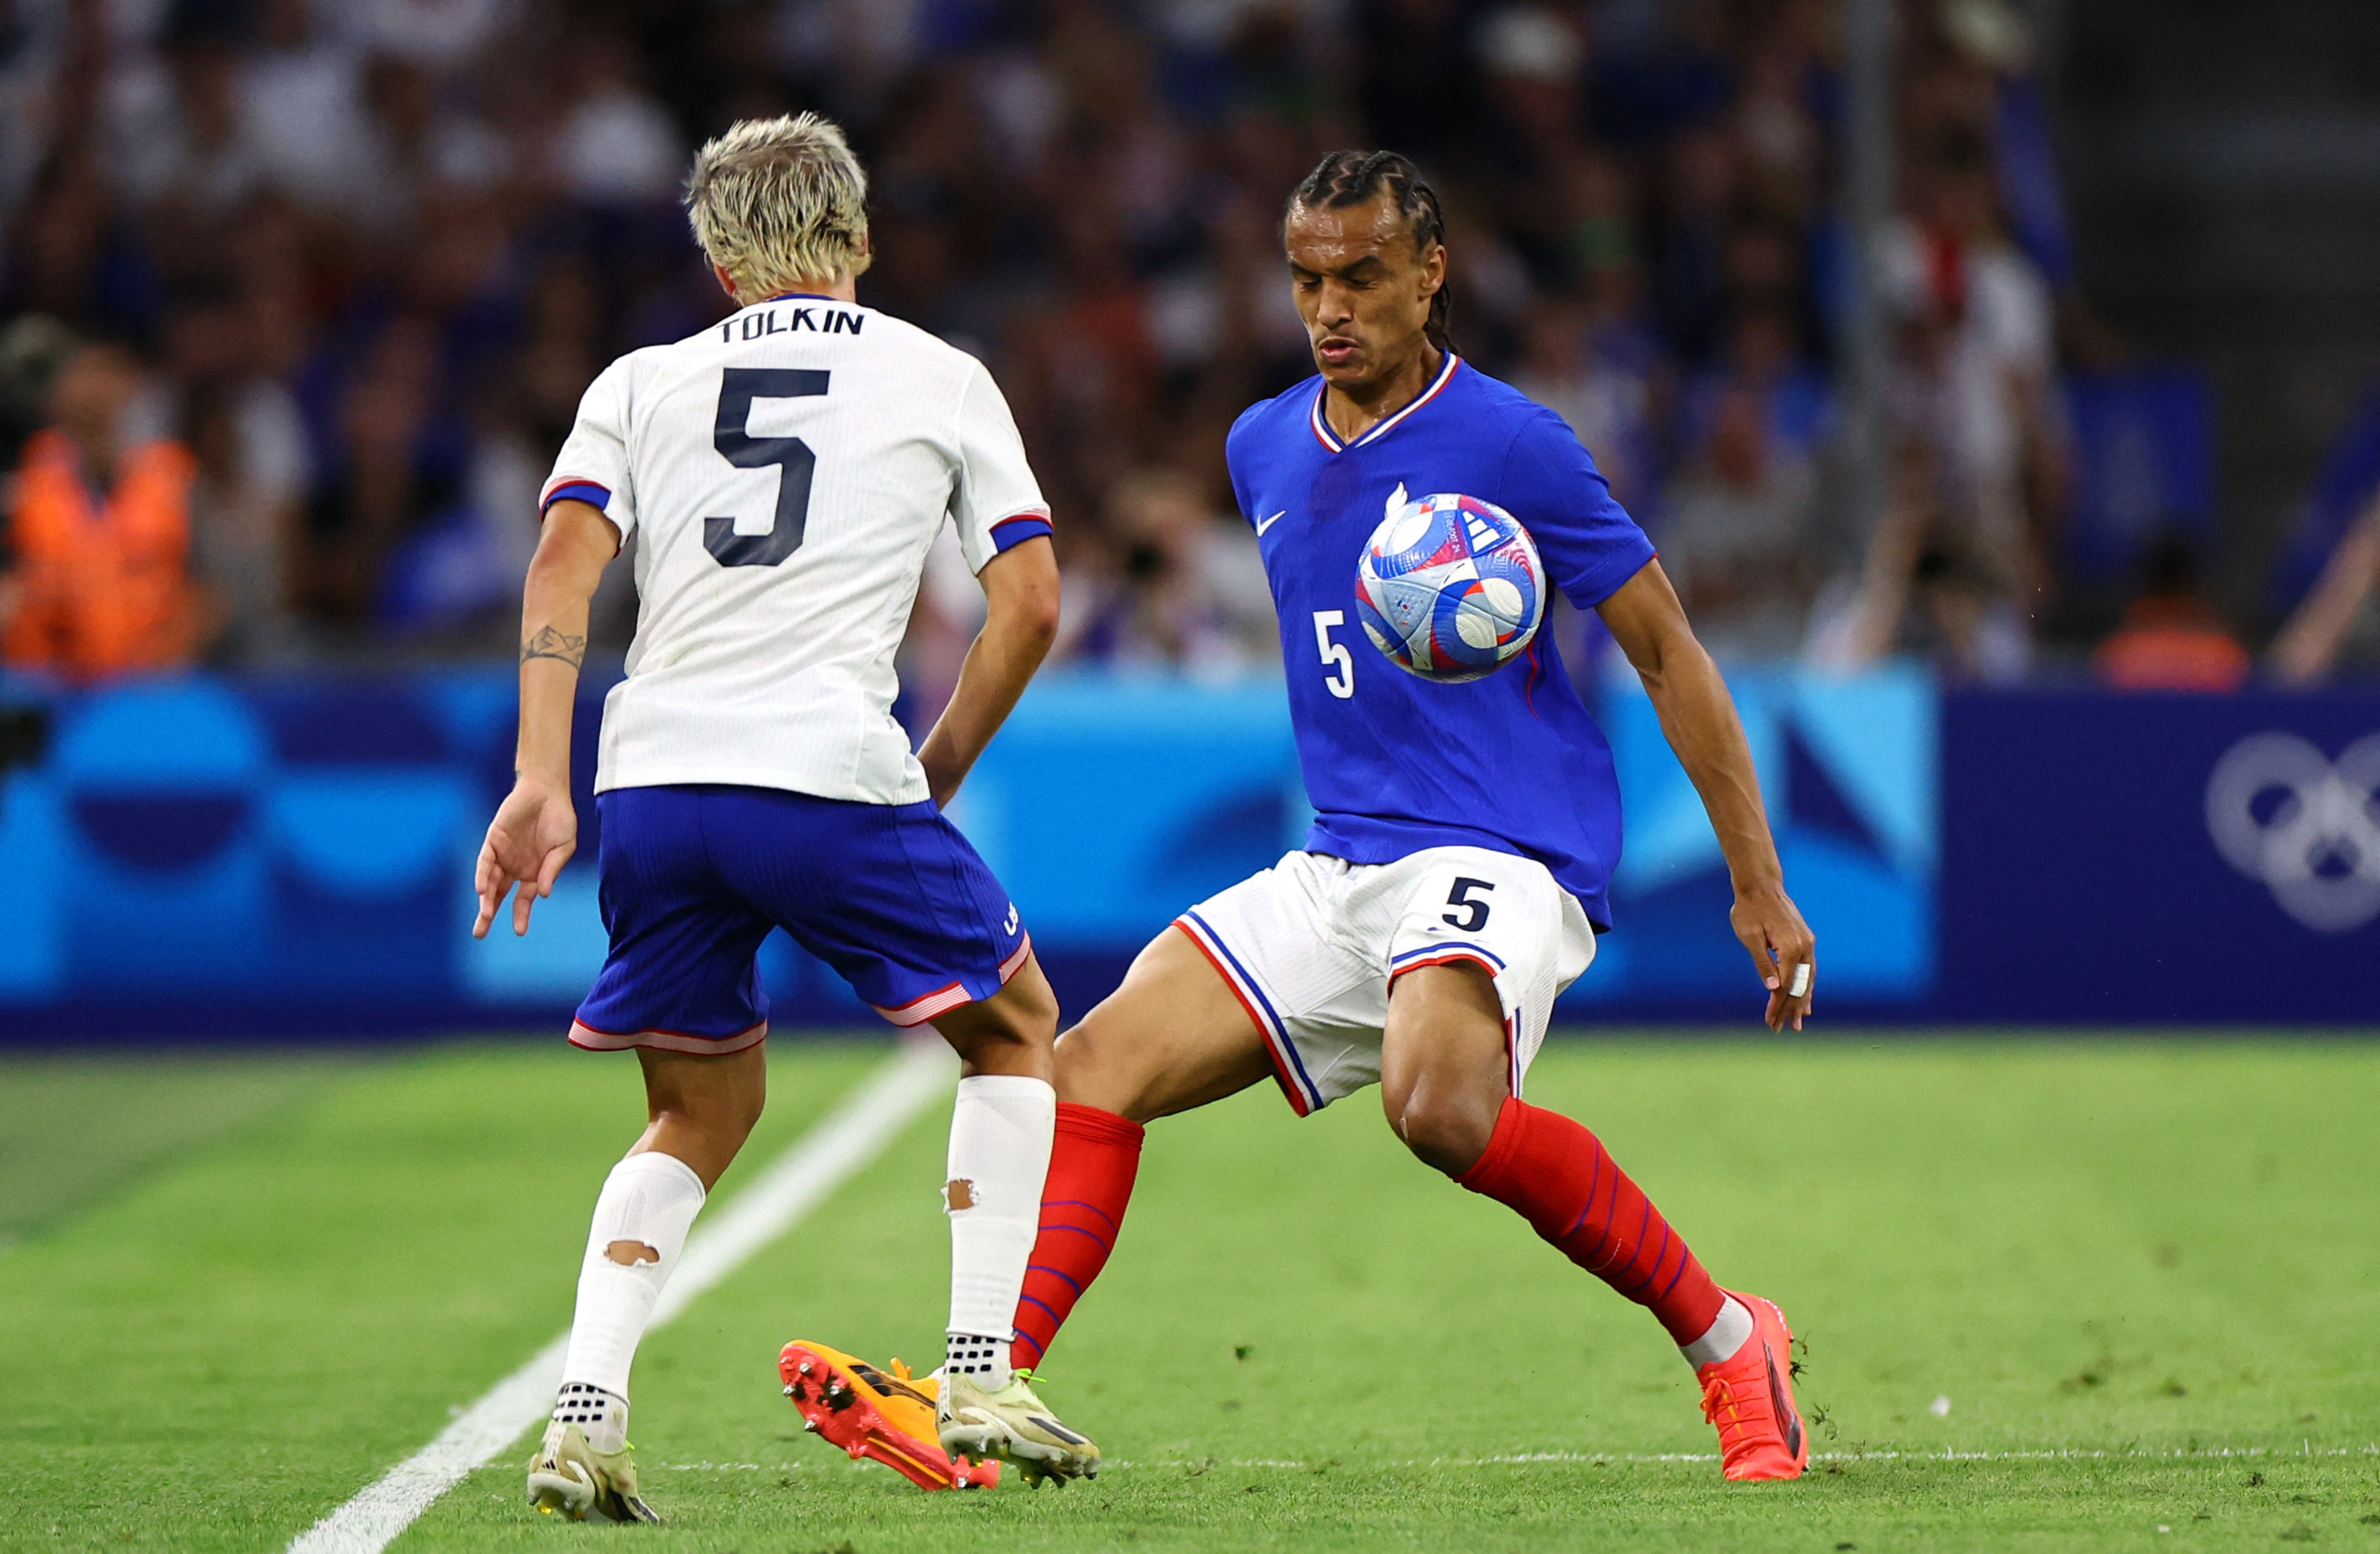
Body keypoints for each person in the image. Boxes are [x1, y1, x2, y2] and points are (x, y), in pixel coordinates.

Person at [790, 149, 1818, 1487]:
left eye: (1364, 277)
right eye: (1308, 279)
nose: (1331, 307)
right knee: (1091, 1070)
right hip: (1343, 865)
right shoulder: (1261, 441)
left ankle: (1734, 1340)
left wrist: (1755, 876)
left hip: (1505, 853)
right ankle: (986, 1393)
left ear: (1432, 273)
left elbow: (1669, 654)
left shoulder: (1515, 443)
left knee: (1438, 1105)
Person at [470, 113, 1095, 1522]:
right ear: (861, 238)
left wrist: (540, 776)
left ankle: (587, 1412)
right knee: (1011, 1024)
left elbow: (563, 567)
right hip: (821, 763)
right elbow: (1035, 597)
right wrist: (934, 765)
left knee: (699, 1101)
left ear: (717, 257)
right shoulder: (940, 374)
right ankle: (982, 1372)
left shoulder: (643, 380)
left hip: (657, 783)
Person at [1, 341, 201, 683]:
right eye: (83, 379)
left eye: (108, 380)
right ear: (59, 401)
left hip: (149, 684)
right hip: (47, 683)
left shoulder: (175, 482)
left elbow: (207, 592)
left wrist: (164, 665)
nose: (94, 394)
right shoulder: (27, 483)